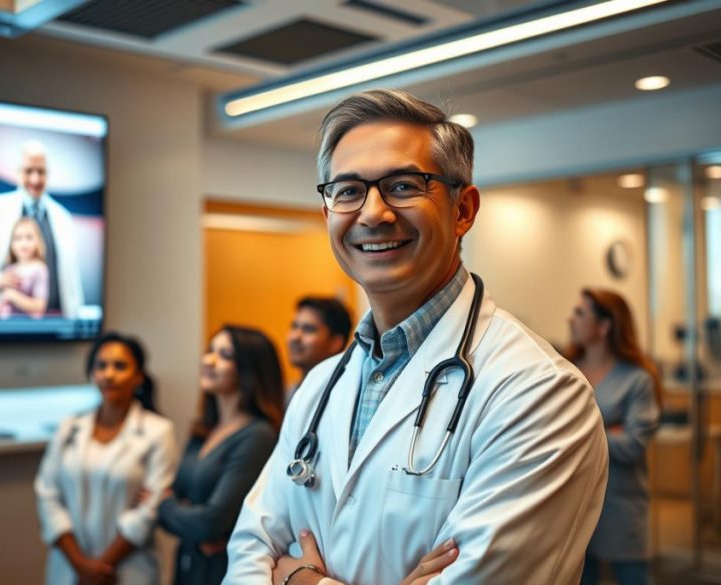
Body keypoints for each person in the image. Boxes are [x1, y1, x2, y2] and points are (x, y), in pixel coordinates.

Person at [224, 89, 608, 585]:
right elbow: (248, 552)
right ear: (327, 215)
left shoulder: (539, 393)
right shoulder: (320, 387)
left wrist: (299, 580)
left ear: (463, 210)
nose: (372, 213)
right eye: (347, 190)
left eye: (404, 185)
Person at [35, 332, 177, 585]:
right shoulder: (70, 428)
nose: (109, 374)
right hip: (70, 569)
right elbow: (47, 494)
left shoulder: (158, 432)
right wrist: (81, 565)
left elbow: (152, 506)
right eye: (101, 366)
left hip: (127, 571)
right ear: (92, 373)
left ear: (138, 377)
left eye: (120, 366)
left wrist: (101, 567)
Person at [157, 326, 284, 585]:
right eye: (210, 351)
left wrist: (164, 506)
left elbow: (210, 522)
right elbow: (177, 493)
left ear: (250, 370)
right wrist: (185, 516)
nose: (209, 361)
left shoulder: (258, 435)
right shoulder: (204, 428)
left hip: (223, 570)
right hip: (188, 565)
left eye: (225, 355)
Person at [566, 289, 660, 585]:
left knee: (634, 578)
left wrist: (579, 433)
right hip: (575, 503)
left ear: (604, 327)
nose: (571, 319)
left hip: (621, 505)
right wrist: (609, 430)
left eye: (581, 313)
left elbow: (632, 445)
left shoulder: (637, 380)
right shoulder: (567, 372)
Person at [0, 141, 85, 319]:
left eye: (40, 172)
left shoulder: (62, 217)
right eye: (28, 171)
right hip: (8, 326)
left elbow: (72, 282)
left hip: (56, 328)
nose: (35, 179)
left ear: (48, 174)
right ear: (18, 173)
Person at [287, 297, 352, 400]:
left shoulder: (343, 396)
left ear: (335, 343)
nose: (295, 337)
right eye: (294, 326)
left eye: (308, 329)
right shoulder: (289, 393)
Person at [0, 217, 50, 319]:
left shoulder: (40, 269)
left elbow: (39, 307)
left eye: (29, 237)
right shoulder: (9, 270)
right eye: (18, 238)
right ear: (11, 244)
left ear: (37, 241)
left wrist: (12, 295)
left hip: (30, 329)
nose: (23, 243)